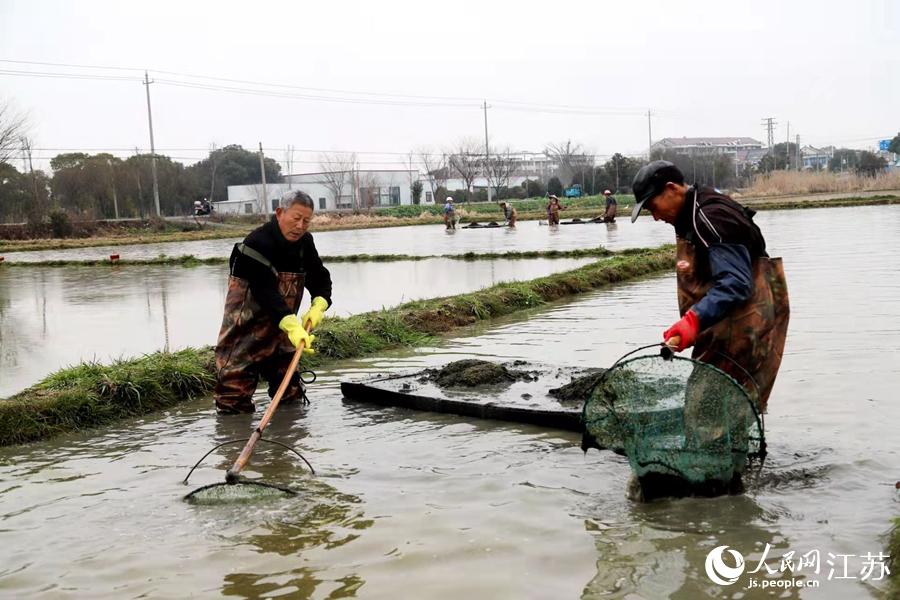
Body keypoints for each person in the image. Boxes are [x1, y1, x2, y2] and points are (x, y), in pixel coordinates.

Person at [631, 160, 789, 411]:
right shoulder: (693, 212)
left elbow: (736, 282)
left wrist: (694, 320)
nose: (656, 217)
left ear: (671, 189)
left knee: (707, 412)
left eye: (653, 206)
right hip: (725, 326)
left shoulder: (711, 215)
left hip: (742, 329)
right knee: (729, 413)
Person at [213, 190, 332, 414]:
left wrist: (319, 304)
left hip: (282, 335)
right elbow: (265, 290)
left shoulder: (305, 242)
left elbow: (320, 277)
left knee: (290, 394)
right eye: (296, 218)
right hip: (244, 335)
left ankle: (288, 436)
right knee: (233, 402)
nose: (300, 226)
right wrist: (291, 324)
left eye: (306, 221)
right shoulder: (256, 243)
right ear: (279, 213)